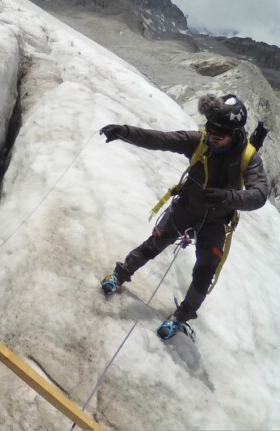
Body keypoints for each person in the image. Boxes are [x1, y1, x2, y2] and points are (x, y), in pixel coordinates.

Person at [98, 94, 269, 340]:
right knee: (154, 243)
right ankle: (120, 274)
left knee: (205, 271)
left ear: (234, 134)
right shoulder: (199, 141)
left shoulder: (248, 158)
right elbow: (160, 139)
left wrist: (228, 197)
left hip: (215, 221)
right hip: (187, 207)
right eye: (209, 132)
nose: (211, 139)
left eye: (218, 136)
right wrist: (124, 132)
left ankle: (181, 317)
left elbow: (259, 195)